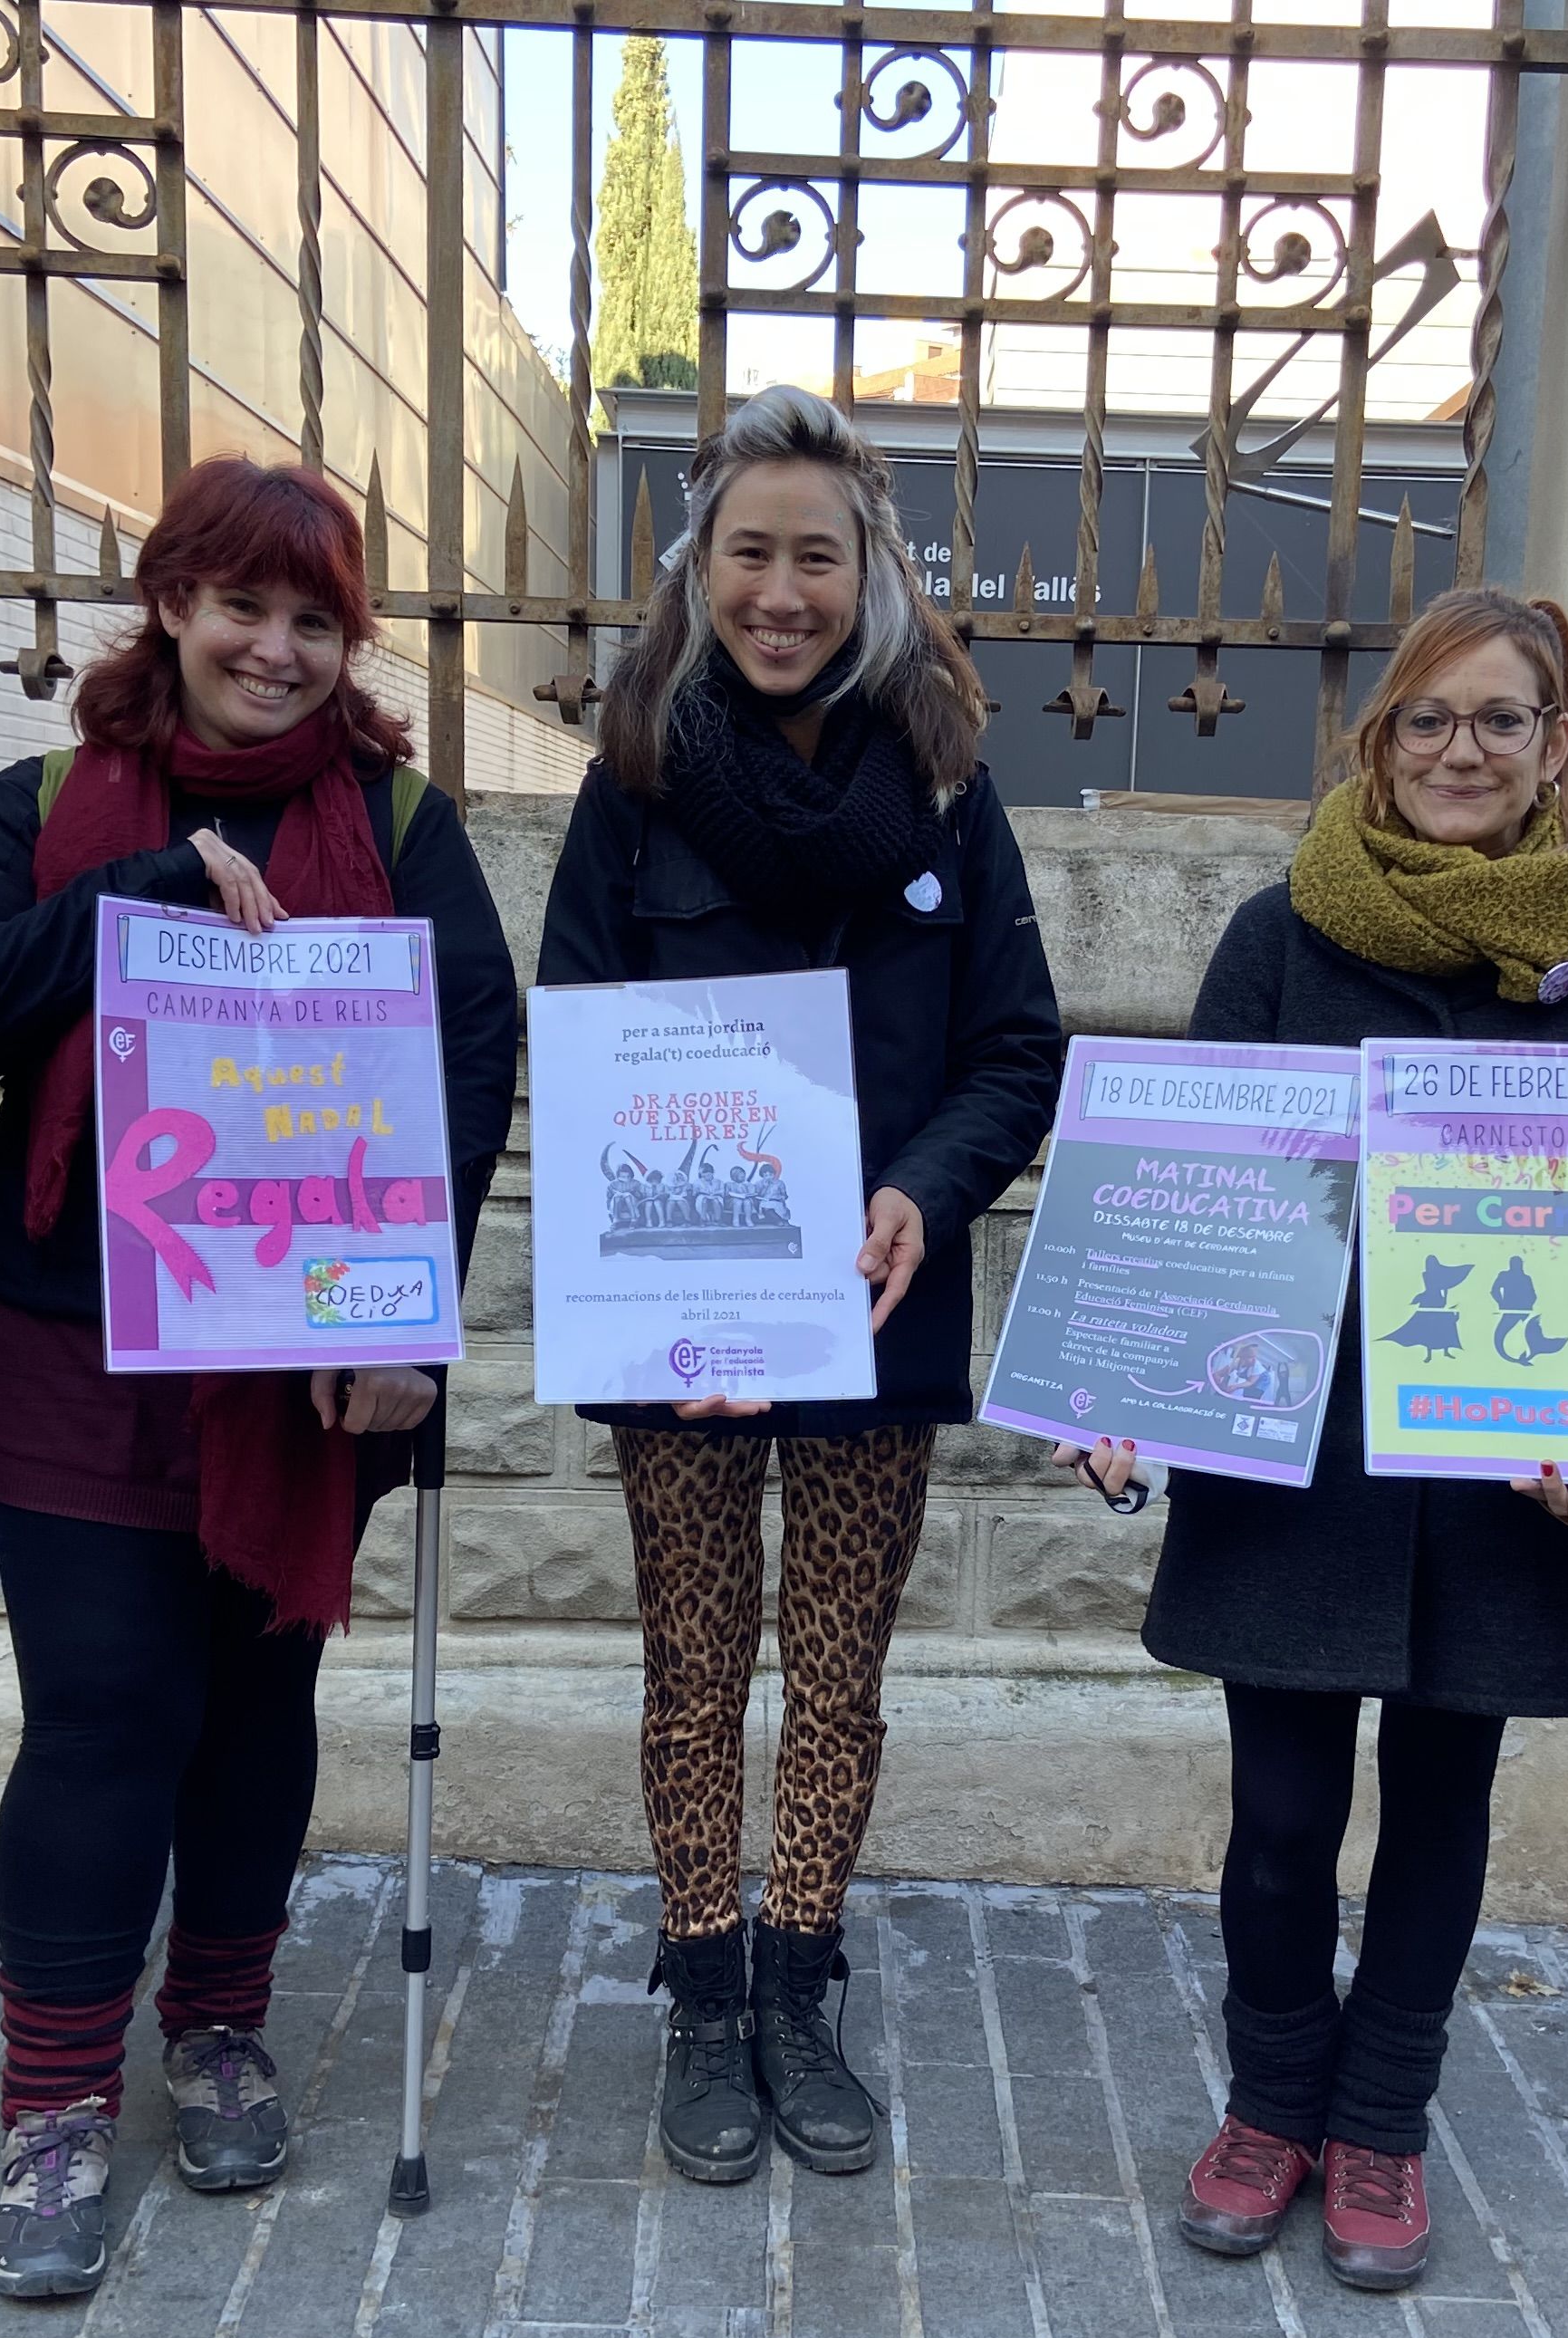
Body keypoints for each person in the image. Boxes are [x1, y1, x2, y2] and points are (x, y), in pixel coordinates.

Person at [0, 458, 518, 2301]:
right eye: (243, 606)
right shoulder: (43, 806)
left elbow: (467, 1069)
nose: (276, 646)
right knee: (103, 1713)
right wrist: (133, 907)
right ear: (171, 603)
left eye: (317, 620)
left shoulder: (398, 819)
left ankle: (218, 2026)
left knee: (253, 1707)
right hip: (76, 1343)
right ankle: (59, 2094)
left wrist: (411, 1326)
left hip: (301, 1358)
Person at [1064, 587, 1568, 2292]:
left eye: (1501, 719)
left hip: (1505, 1459)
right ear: (1381, 740)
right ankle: (1271, 2103)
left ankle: (1384, 2123)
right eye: (1430, 719)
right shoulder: (1281, 935)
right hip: (1300, 1448)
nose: (1463, 751)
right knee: (1279, 1813)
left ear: (1556, 743)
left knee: (1442, 1798)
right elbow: (1185, 1199)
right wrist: (1123, 1384)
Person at [538, 385, 1063, 2185]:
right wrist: (656, 1281)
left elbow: (1017, 1047)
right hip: (677, 1316)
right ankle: (700, 1994)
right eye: (749, 552)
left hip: (876, 1305)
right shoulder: (627, 795)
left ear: (873, 577)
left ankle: (800, 1980)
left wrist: (928, 1183)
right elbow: (584, 1046)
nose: (783, 590)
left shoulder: (947, 797)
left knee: (838, 1673)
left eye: (816, 558)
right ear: (703, 569)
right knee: (695, 1670)